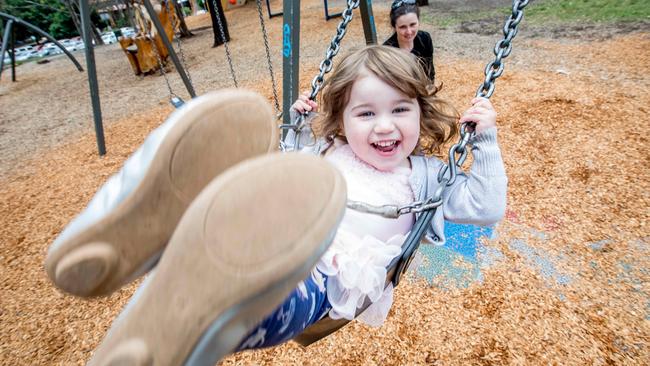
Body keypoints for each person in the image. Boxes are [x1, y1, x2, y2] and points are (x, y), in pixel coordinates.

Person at [45, 45, 506, 365]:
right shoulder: (328, 150)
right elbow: (290, 175)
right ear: (342, 121)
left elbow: (486, 206)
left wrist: (483, 139)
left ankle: (196, 313)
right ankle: (164, 230)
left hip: (328, 282)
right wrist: (300, 130)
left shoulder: (428, 177)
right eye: (366, 113)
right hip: (274, 234)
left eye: (400, 109)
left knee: (263, 294)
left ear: (420, 113)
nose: (385, 126)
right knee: (255, 190)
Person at [383, 0, 435, 83]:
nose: (409, 32)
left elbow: (429, 72)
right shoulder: (387, 50)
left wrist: (430, 89)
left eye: (412, 25)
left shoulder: (425, 38)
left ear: (418, 22)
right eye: (402, 27)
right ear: (394, 26)